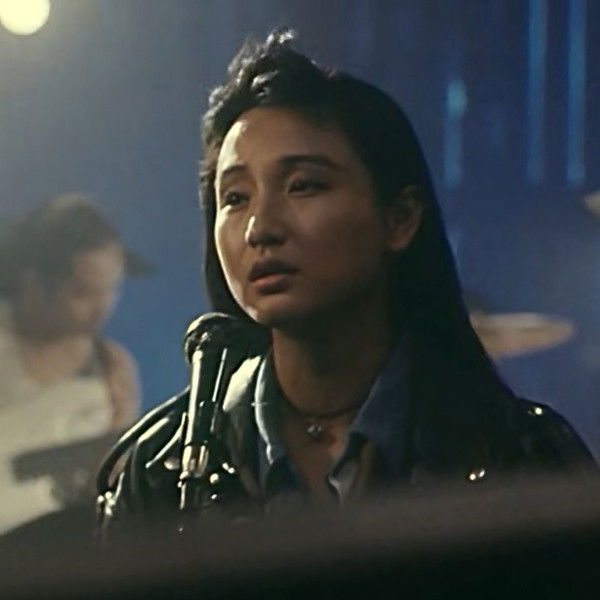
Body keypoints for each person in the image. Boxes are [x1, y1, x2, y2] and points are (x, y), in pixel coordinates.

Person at [97, 31, 594, 529]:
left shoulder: (519, 458)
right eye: (235, 198)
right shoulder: (163, 476)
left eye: (303, 185)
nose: (260, 228)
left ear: (399, 218)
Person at [0, 194, 142, 533]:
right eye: (82, 292)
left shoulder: (113, 369)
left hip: (59, 546)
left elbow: (116, 475)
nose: (102, 307)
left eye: (111, 290)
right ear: (32, 283)